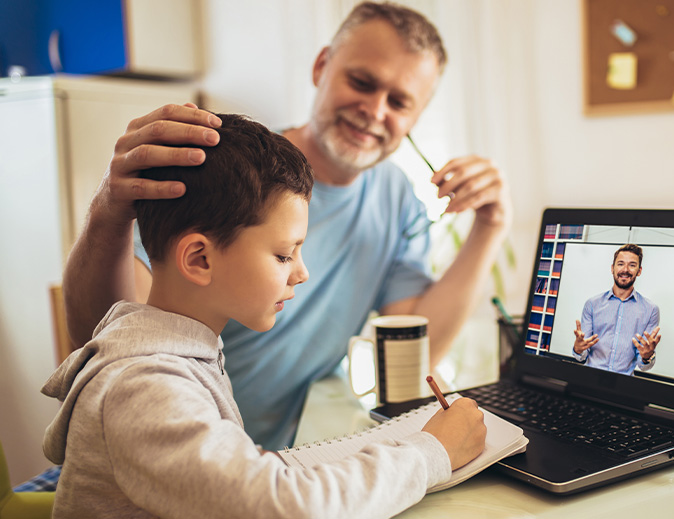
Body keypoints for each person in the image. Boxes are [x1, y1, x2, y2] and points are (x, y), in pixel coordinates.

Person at [61, 1, 511, 450]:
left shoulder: (397, 201)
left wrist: (490, 226)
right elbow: (112, 335)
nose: (375, 111)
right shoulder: (230, 175)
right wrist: (107, 209)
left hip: (274, 464)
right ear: (321, 67)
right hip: (174, 459)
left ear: (416, 116)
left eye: (399, 102)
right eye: (361, 82)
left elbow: (416, 354)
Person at [42, 113, 486, 519]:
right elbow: (283, 508)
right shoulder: (144, 388)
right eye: (282, 254)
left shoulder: (184, 352)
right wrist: (432, 452)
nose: (302, 272)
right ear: (199, 259)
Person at [571, 244, 662, 376]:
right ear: (612, 268)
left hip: (623, 385)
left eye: (632, 265)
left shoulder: (651, 310)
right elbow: (582, 354)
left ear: (639, 271)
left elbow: (643, 365)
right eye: (620, 264)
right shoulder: (592, 304)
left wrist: (647, 356)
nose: (625, 270)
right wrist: (578, 349)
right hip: (589, 378)